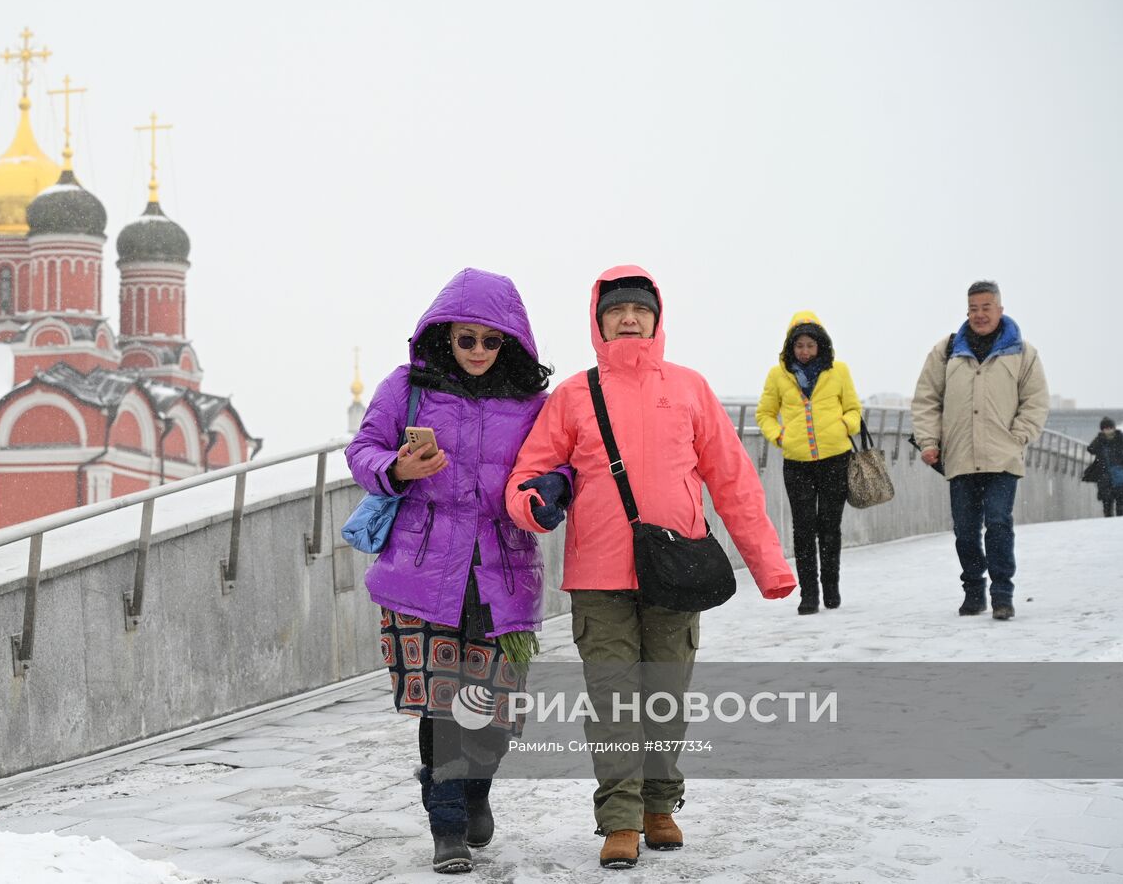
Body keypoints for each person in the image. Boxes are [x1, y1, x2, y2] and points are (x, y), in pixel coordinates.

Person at [505, 265, 796, 870]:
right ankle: (619, 820)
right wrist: (530, 503)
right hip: (598, 577)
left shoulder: (689, 388)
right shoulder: (573, 396)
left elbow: (733, 480)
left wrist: (769, 565)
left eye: (640, 310)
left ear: (657, 318)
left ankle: (659, 806)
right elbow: (528, 472)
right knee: (613, 703)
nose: (629, 319)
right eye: (617, 311)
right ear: (599, 320)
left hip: (677, 570)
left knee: (665, 696)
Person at [346, 267, 563, 875]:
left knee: (491, 714)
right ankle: (446, 829)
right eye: (465, 339)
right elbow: (362, 450)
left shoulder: (533, 404)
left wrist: (553, 487)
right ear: (444, 336)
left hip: (505, 572)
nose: (476, 351)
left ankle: (476, 792)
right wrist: (399, 469)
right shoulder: (406, 388)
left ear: (510, 344)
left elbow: (560, 463)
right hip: (422, 575)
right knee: (441, 706)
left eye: (490, 341)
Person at [911, 280, 1049, 621]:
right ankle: (974, 589)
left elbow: (1036, 400)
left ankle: (1002, 594)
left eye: (986, 308)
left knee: (999, 522)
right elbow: (926, 399)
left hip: (1003, 455)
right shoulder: (947, 351)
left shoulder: (1022, 353)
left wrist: (1018, 436)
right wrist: (929, 442)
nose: (979, 315)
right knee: (965, 529)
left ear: (1000, 309)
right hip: (959, 456)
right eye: (973, 309)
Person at [756, 312, 862, 614]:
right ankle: (809, 595)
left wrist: (845, 425)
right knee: (803, 529)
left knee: (830, 527)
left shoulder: (838, 371)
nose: (804, 351)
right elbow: (764, 413)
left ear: (820, 345)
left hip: (835, 459)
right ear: (791, 346)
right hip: (797, 462)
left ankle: (831, 589)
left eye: (810, 345)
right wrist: (779, 436)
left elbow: (854, 408)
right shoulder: (778, 375)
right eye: (799, 345)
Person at [1086, 417, 1123, 517]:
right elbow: (1091, 449)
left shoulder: (1119, 439)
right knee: (1107, 505)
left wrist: (1120, 434)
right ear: (1102, 430)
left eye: (1111, 428)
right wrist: (1099, 438)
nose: (1108, 430)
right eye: (1106, 428)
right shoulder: (1100, 441)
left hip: (1119, 474)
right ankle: (1109, 526)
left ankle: (1120, 524)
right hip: (1104, 475)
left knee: (1121, 504)